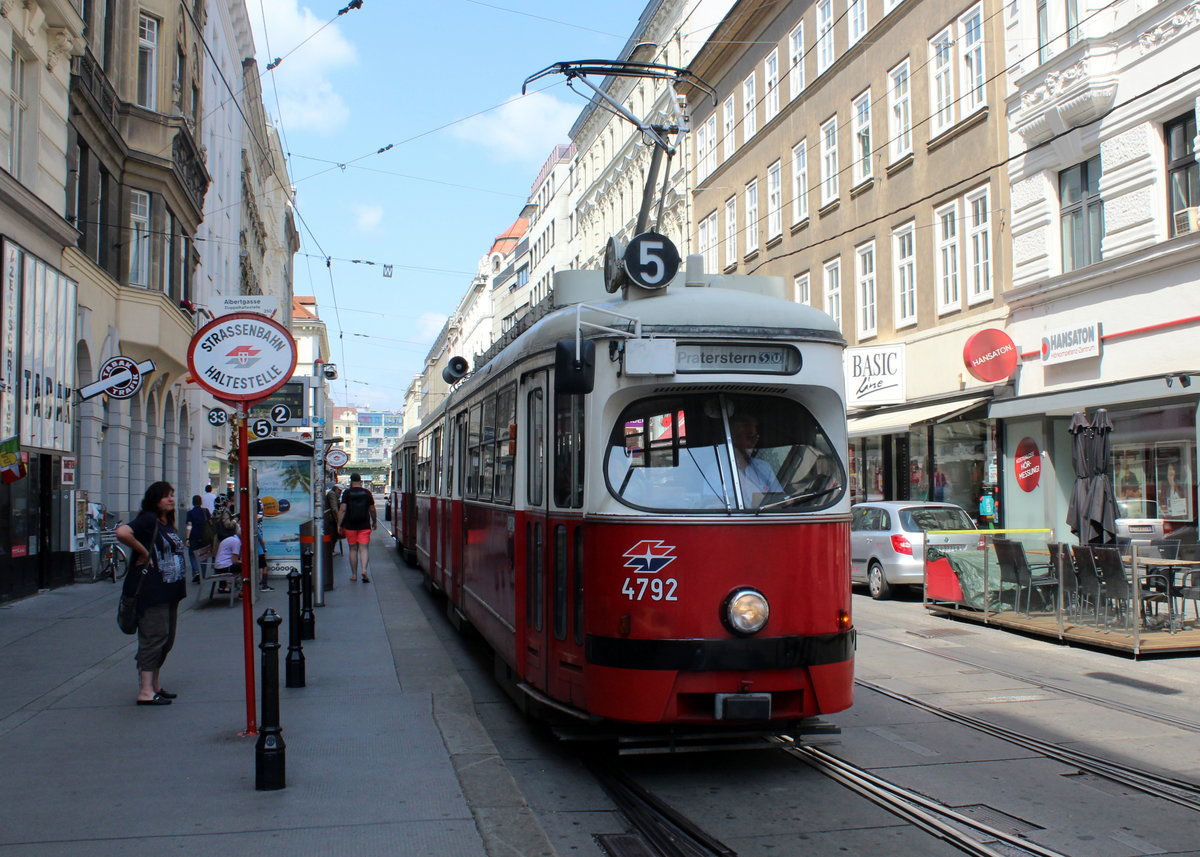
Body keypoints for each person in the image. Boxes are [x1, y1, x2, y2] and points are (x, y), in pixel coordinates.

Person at [114, 481, 187, 706]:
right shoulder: (148, 519)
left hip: (170, 591)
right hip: (152, 592)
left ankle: (155, 685)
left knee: (165, 640)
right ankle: (145, 690)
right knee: (154, 638)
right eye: (166, 496)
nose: (171, 499)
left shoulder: (166, 523)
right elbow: (122, 532)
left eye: (172, 495)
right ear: (155, 499)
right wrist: (144, 552)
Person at [730, 415, 784, 506]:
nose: (754, 441)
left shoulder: (763, 467)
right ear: (734, 438)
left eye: (756, 437)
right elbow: (713, 505)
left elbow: (780, 499)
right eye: (749, 437)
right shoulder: (717, 470)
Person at [338, 473, 376, 582]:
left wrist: (339, 524)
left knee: (353, 549)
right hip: (364, 525)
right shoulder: (367, 493)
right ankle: (364, 570)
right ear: (360, 481)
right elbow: (372, 509)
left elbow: (343, 510)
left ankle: (354, 575)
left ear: (351, 481)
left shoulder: (347, 493)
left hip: (350, 525)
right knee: (364, 549)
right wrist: (374, 521)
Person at [184, 494, 209, 584]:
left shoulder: (190, 513)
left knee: (192, 554)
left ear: (193, 502)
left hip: (194, 536)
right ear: (201, 502)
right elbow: (210, 523)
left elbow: (189, 525)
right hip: (204, 536)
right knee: (204, 556)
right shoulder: (206, 511)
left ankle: (196, 571)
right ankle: (203, 575)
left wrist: (187, 538)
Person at [213, 528, 241, 594]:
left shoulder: (231, 539)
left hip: (218, 566)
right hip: (224, 567)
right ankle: (241, 588)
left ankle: (223, 586)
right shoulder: (236, 542)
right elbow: (235, 561)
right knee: (245, 567)